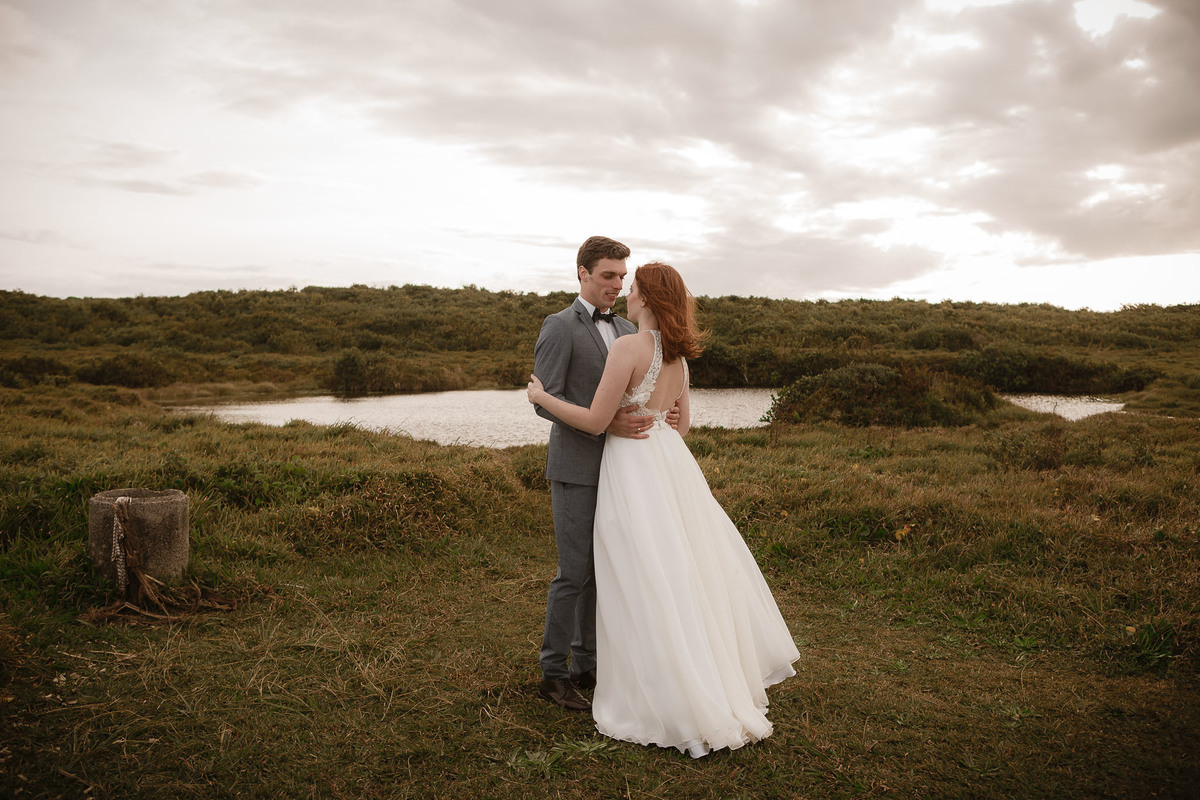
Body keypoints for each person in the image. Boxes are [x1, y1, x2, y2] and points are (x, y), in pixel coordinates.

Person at [527, 261, 799, 758]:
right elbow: (683, 426)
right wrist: (655, 414)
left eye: (630, 286)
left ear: (646, 298)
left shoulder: (629, 345)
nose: (625, 294)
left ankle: (642, 678)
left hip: (631, 469)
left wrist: (540, 395)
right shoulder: (679, 356)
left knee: (637, 571)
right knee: (675, 569)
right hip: (669, 465)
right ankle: (669, 666)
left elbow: (593, 419)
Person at [532, 235, 660, 713]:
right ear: (582, 273)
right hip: (576, 466)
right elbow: (548, 402)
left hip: (622, 471)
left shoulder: (627, 327)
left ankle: (589, 663)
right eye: (608, 275)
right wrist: (606, 424)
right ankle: (553, 673)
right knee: (573, 574)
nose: (616, 283)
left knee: (603, 572)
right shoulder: (558, 326)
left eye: (622, 276)